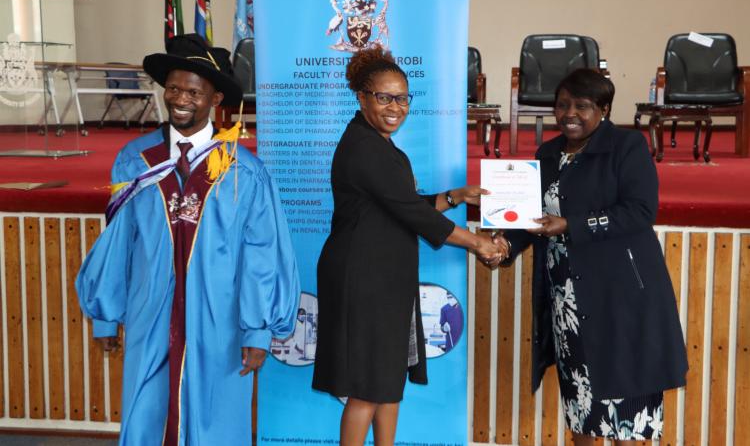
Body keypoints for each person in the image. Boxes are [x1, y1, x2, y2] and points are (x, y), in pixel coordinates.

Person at [76, 34, 300, 446]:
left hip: (221, 322)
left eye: (194, 91)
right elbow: (118, 242)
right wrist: (107, 313)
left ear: (215, 99)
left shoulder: (241, 170)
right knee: (148, 417)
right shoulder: (136, 160)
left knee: (216, 421)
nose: (181, 99)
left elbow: (262, 253)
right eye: (174, 88)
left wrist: (257, 331)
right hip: (151, 317)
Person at [312, 46, 507, 446]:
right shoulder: (365, 148)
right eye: (384, 97)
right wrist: (479, 244)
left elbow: (401, 206)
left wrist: (454, 195)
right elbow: (412, 213)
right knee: (367, 385)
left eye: (402, 98)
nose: (395, 107)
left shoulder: (377, 144)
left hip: (384, 275)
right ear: (362, 97)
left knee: (388, 379)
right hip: (363, 278)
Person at [497, 69, 687, 445]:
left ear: (603, 109)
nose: (570, 113)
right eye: (563, 104)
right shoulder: (547, 154)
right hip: (569, 301)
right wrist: (503, 244)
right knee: (582, 406)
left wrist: (570, 224)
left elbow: (640, 210)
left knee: (629, 415)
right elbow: (530, 217)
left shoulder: (626, 147)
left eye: (582, 106)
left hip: (623, 299)